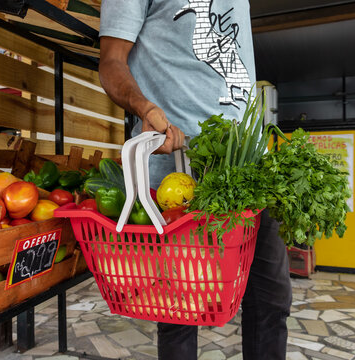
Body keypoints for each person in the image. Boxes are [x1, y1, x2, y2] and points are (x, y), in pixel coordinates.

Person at [97, 1, 292, 359]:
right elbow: (111, 60)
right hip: (178, 176)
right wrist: (144, 107)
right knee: (178, 314)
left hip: (249, 170)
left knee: (271, 300)